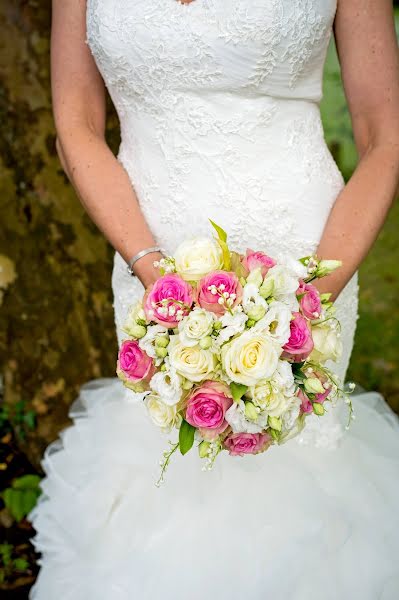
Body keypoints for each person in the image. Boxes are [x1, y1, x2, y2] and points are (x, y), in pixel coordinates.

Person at [29, 1, 399, 598]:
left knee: (291, 464)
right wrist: (152, 270)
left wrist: (306, 298)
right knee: (162, 465)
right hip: (148, 259)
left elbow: (386, 135)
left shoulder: (307, 287)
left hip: (303, 262)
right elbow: (76, 123)